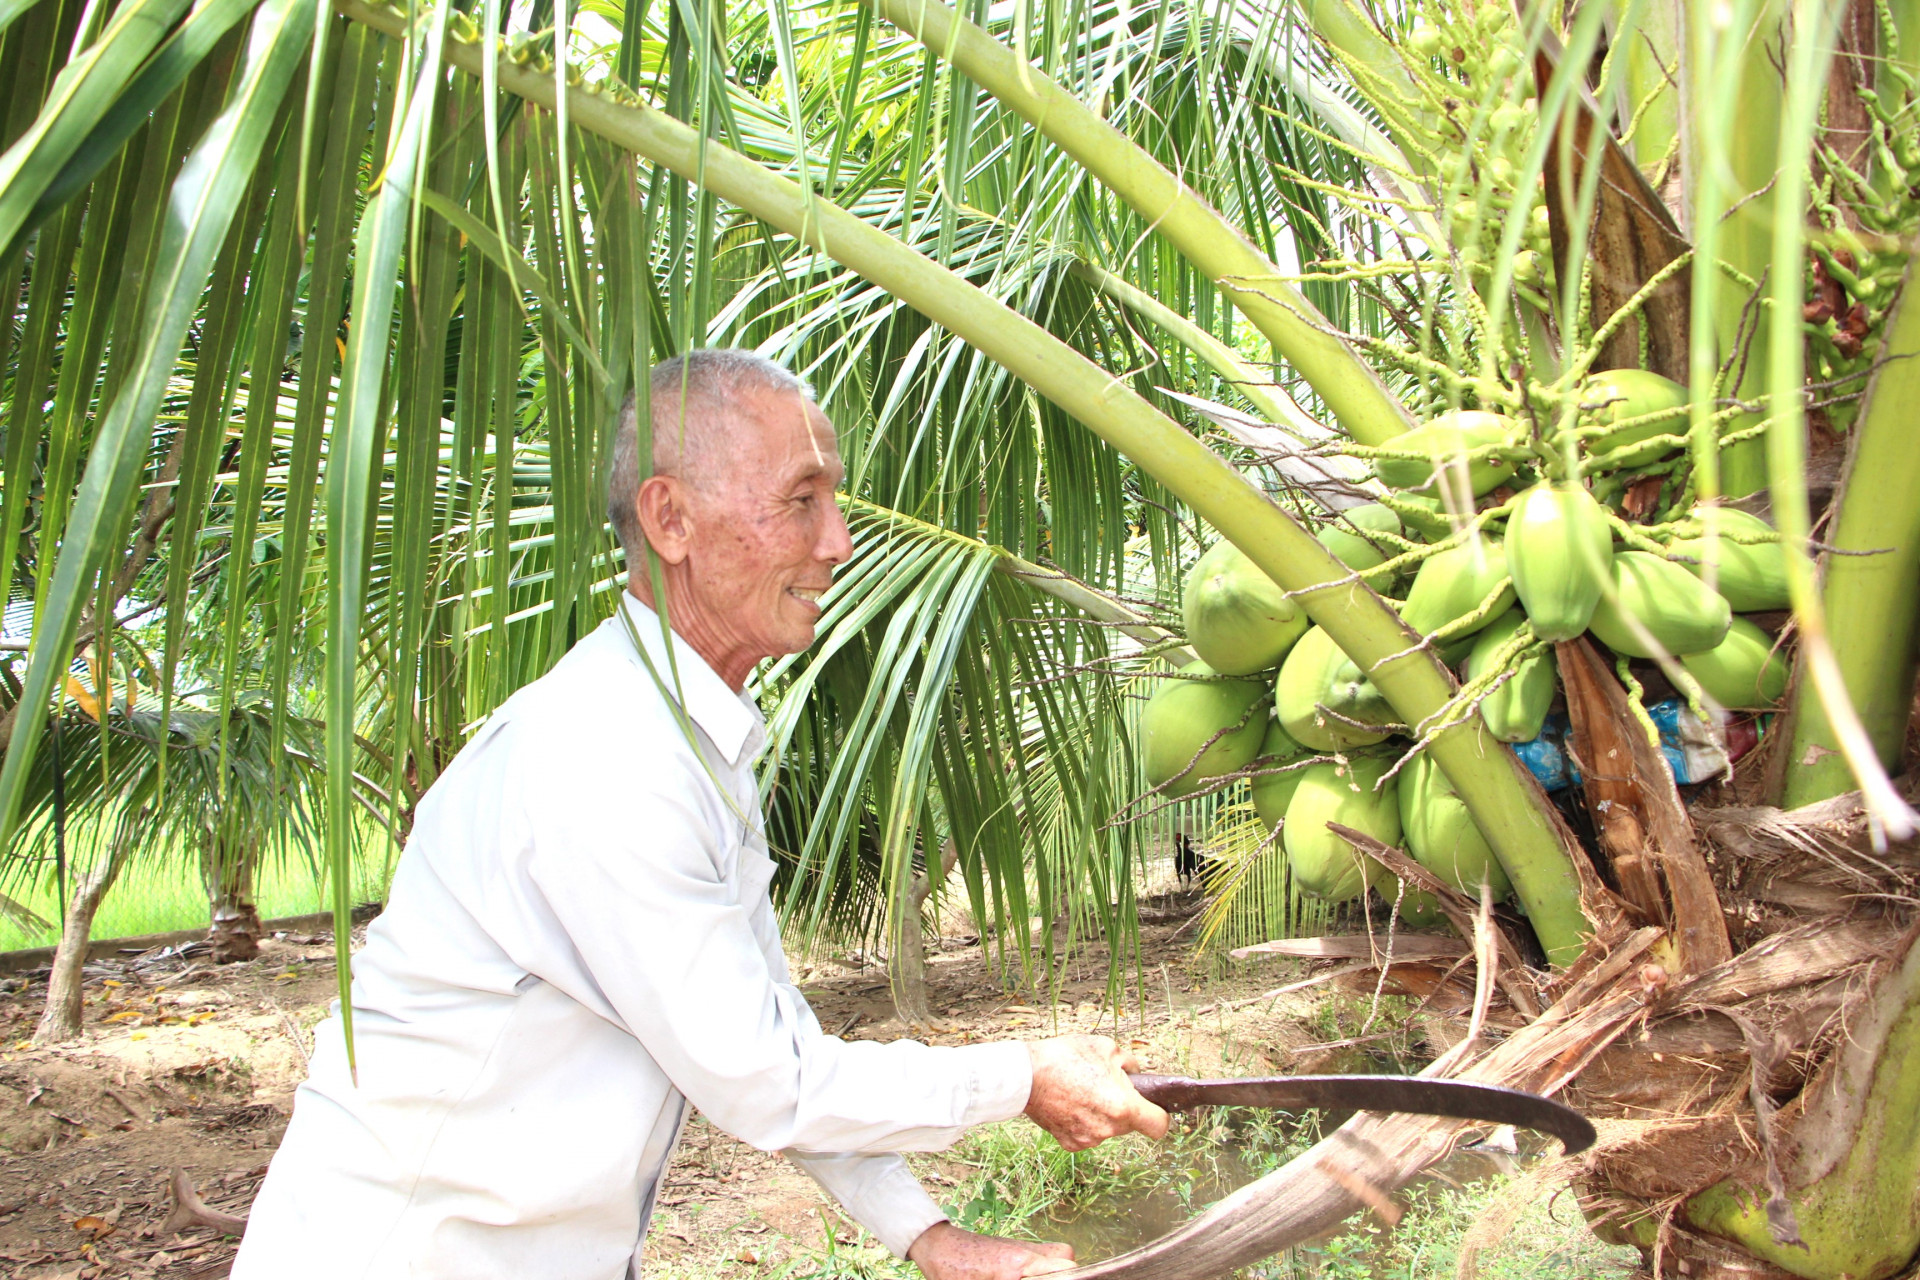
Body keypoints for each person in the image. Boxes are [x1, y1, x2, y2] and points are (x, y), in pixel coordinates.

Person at [233, 349, 1169, 1280]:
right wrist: (1023, 1076)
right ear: (671, 519)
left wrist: (928, 1235)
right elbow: (766, 1081)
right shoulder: (607, 754)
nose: (838, 540)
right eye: (802, 499)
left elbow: (773, 1038)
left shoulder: (684, 741)